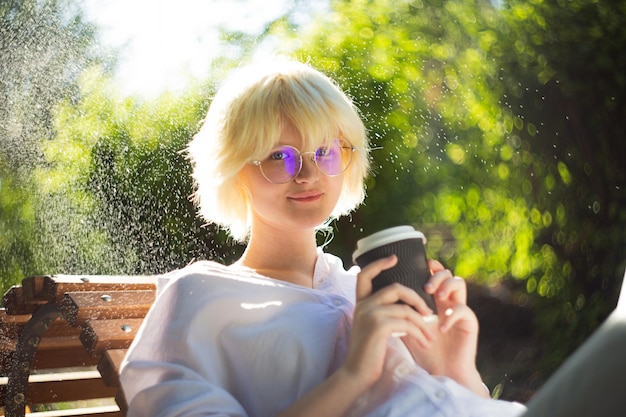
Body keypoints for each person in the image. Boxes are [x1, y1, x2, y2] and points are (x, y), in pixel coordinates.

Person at [119, 58, 626, 417]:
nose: (308, 175)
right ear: (235, 172)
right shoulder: (199, 297)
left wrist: (453, 366)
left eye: (326, 152)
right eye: (280, 156)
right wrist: (354, 375)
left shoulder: (360, 285)